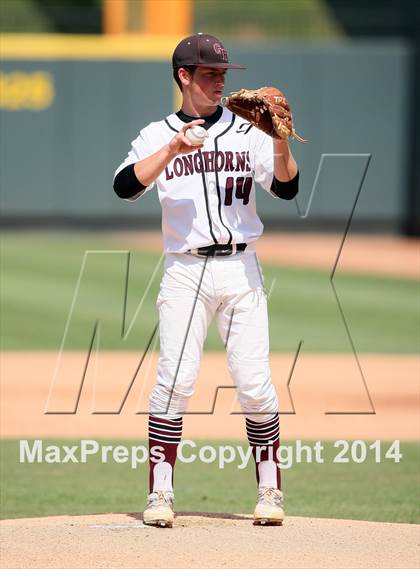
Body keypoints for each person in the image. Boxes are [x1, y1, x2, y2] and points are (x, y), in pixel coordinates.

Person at [113, 33, 299, 528]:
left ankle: (270, 491)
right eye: (211, 74)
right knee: (174, 381)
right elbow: (125, 186)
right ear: (184, 76)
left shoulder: (249, 130)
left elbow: (286, 186)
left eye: (223, 74)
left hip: (241, 268)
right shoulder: (157, 134)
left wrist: (279, 139)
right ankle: (160, 494)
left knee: (256, 385)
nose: (220, 83)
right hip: (185, 270)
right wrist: (175, 146)